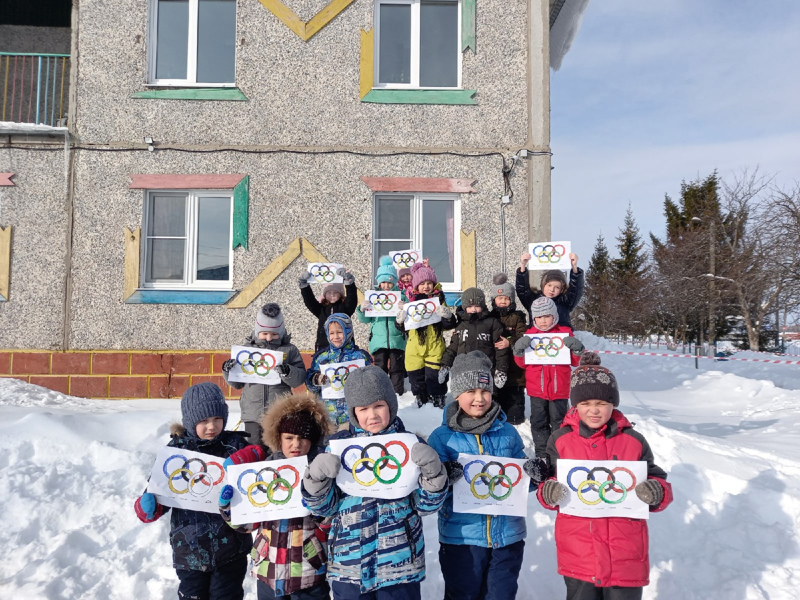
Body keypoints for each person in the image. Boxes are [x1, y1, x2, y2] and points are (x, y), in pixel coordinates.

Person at [301, 366, 449, 600]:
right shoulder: (338, 449)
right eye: (363, 409)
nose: (372, 415)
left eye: (379, 405)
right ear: (353, 412)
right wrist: (316, 480)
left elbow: (426, 506)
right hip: (349, 567)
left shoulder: (411, 446)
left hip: (399, 566)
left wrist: (434, 474)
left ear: (391, 404)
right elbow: (323, 509)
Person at [537, 353, 673, 600]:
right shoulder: (560, 440)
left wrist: (657, 492)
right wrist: (548, 492)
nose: (594, 410)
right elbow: (548, 484)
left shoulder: (633, 441)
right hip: (579, 552)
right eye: (586, 403)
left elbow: (657, 480)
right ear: (575, 405)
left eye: (601, 403)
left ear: (613, 404)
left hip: (625, 553)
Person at [427, 352, 547, 600]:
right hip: (462, 540)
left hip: (507, 539)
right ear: (457, 394)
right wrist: (443, 477)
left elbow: (518, 478)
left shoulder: (508, 434)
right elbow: (429, 488)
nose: (479, 399)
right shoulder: (442, 438)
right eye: (471, 391)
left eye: (485, 391)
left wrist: (533, 476)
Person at [134, 382, 253, 600]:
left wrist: (249, 457)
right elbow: (158, 493)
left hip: (230, 550)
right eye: (204, 420)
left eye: (217, 419)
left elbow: (254, 488)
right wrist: (147, 507)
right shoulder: (176, 454)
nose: (212, 426)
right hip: (189, 551)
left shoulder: (235, 448)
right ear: (190, 421)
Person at [219, 392, 333, 600]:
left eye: (303, 438)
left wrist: (317, 504)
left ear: (313, 440)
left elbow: (330, 523)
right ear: (278, 438)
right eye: (289, 438)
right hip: (268, 570)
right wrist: (230, 509)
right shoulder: (262, 472)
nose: (295, 444)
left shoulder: (320, 472)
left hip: (308, 569)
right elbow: (248, 526)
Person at [221, 303, 307, 444]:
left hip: (280, 413)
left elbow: (299, 378)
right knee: (253, 447)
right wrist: (228, 370)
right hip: (252, 413)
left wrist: (288, 372)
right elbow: (236, 384)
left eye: (274, 334)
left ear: (281, 332)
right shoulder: (245, 351)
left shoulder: (289, 350)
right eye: (265, 333)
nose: (268, 338)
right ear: (257, 331)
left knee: (277, 447)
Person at [512, 297, 584, 459]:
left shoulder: (564, 334)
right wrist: (518, 352)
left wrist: (577, 350)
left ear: (554, 316)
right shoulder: (530, 335)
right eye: (538, 317)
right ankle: (542, 453)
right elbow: (523, 364)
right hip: (536, 390)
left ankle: (558, 452)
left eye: (546, 316)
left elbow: (575, 362)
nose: (543, 321)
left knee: (559, 421)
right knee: (539, 422)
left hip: (560, 390)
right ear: (533, 318)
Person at [395, 261, 457, 408]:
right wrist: (399, 321)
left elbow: (448, 326)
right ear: (416, 286)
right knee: (416, 377)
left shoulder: (439, 301)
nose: (426, 286)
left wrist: (447, 316)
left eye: (429, 283)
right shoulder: (410, 303)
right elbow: (403, 328)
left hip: (435, 346)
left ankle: (438, 398)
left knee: (434, 376)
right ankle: (421, 399)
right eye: (422, 283)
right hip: (414, 347)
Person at [438, 287, 510, 397]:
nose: (474, 310)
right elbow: (453, 347)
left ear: (483, 306)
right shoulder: (461, 325)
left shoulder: (492, 323)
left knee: (485, 400)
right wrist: (445, 365)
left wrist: (501, 370)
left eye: (477, 306)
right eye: (470, 306)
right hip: (464, 372)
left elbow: (500, 350)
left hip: (485, 371)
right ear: (464, 307)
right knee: (467, 399)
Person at [306, 313, 372, 429]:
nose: (335, 336)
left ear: (348, 332)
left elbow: (371, 380)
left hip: (353, 417)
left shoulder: (360, 357)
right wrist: (315, 379)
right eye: (331, 333)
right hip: (328, 416)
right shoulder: (322, 358)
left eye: (340, 332)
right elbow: (310, 383)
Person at [355, 255, 407, 396]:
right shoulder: (373, 297)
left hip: (397, 339)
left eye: (389, 282)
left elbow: (409, 318)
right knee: (380, 367)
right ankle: (380, 392)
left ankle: (398, 394)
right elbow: (365, 320)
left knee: (397, 368)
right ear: (379, 282)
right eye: (383, 282)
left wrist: (405, 308)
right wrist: (362, 309)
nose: (386, 286)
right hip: (378, 339)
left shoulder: (400, 296)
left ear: (394, 282)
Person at [487, 274, 528, 425]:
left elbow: (523, 337)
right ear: (494, 300)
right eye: (499, 298)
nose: (503, 301)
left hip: (515, 370)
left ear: (511, 300)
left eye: (506, 298)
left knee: (514, 405)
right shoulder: (489, 317)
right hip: (495, 367)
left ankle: (516, 422)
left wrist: (509, 342)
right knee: (495, 399)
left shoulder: (518, 317)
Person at [516, 250, 584, 328]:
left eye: (557, 287)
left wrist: (574, 267)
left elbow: (576, 289)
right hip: (537, 337)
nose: (552, 289)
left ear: (562, 289)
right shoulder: (533, 300)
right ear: (543, 285)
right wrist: (523, 265)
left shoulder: (565, 301)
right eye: (549, 285)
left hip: (561, 337)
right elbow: (522, 289)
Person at [298, 266, 358, 352]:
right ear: (324, 295)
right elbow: (309, 301)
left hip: (344, 347)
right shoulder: (321, 309)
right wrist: (304, 286)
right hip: (323, 346)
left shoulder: (345, 308)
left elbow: (352, 298)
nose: (332, 295)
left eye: (335, 292)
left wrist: (349, 282)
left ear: (341, 294)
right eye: (329, 292)